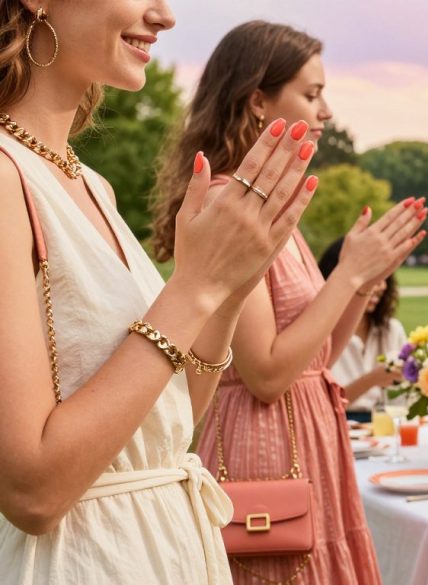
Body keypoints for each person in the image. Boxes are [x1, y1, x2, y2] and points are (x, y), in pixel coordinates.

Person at [0, 2, 324, 583]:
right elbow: (33, 493)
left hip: (165, 549)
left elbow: (171, 422)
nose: (165, 15)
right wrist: (193, 289)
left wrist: (227, 290)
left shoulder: (91, 185)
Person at [150, 21, 425, 585]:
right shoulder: (231, 205)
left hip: (311, 439)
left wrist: (362, 279)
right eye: (312, 94)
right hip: (267, 446)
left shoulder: (275, 207)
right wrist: (346, 274)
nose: (325, 113)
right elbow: (267, 374)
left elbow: (315, 357)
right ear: (257, 100)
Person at [318, 237, 406, 423]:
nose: (381, 286)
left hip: (383, 430)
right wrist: (372, 379)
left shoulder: (391, 330)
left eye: (385, 276)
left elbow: (404, 401)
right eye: (373, 276)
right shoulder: (318, 334)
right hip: (336, 426)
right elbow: (319, 406)